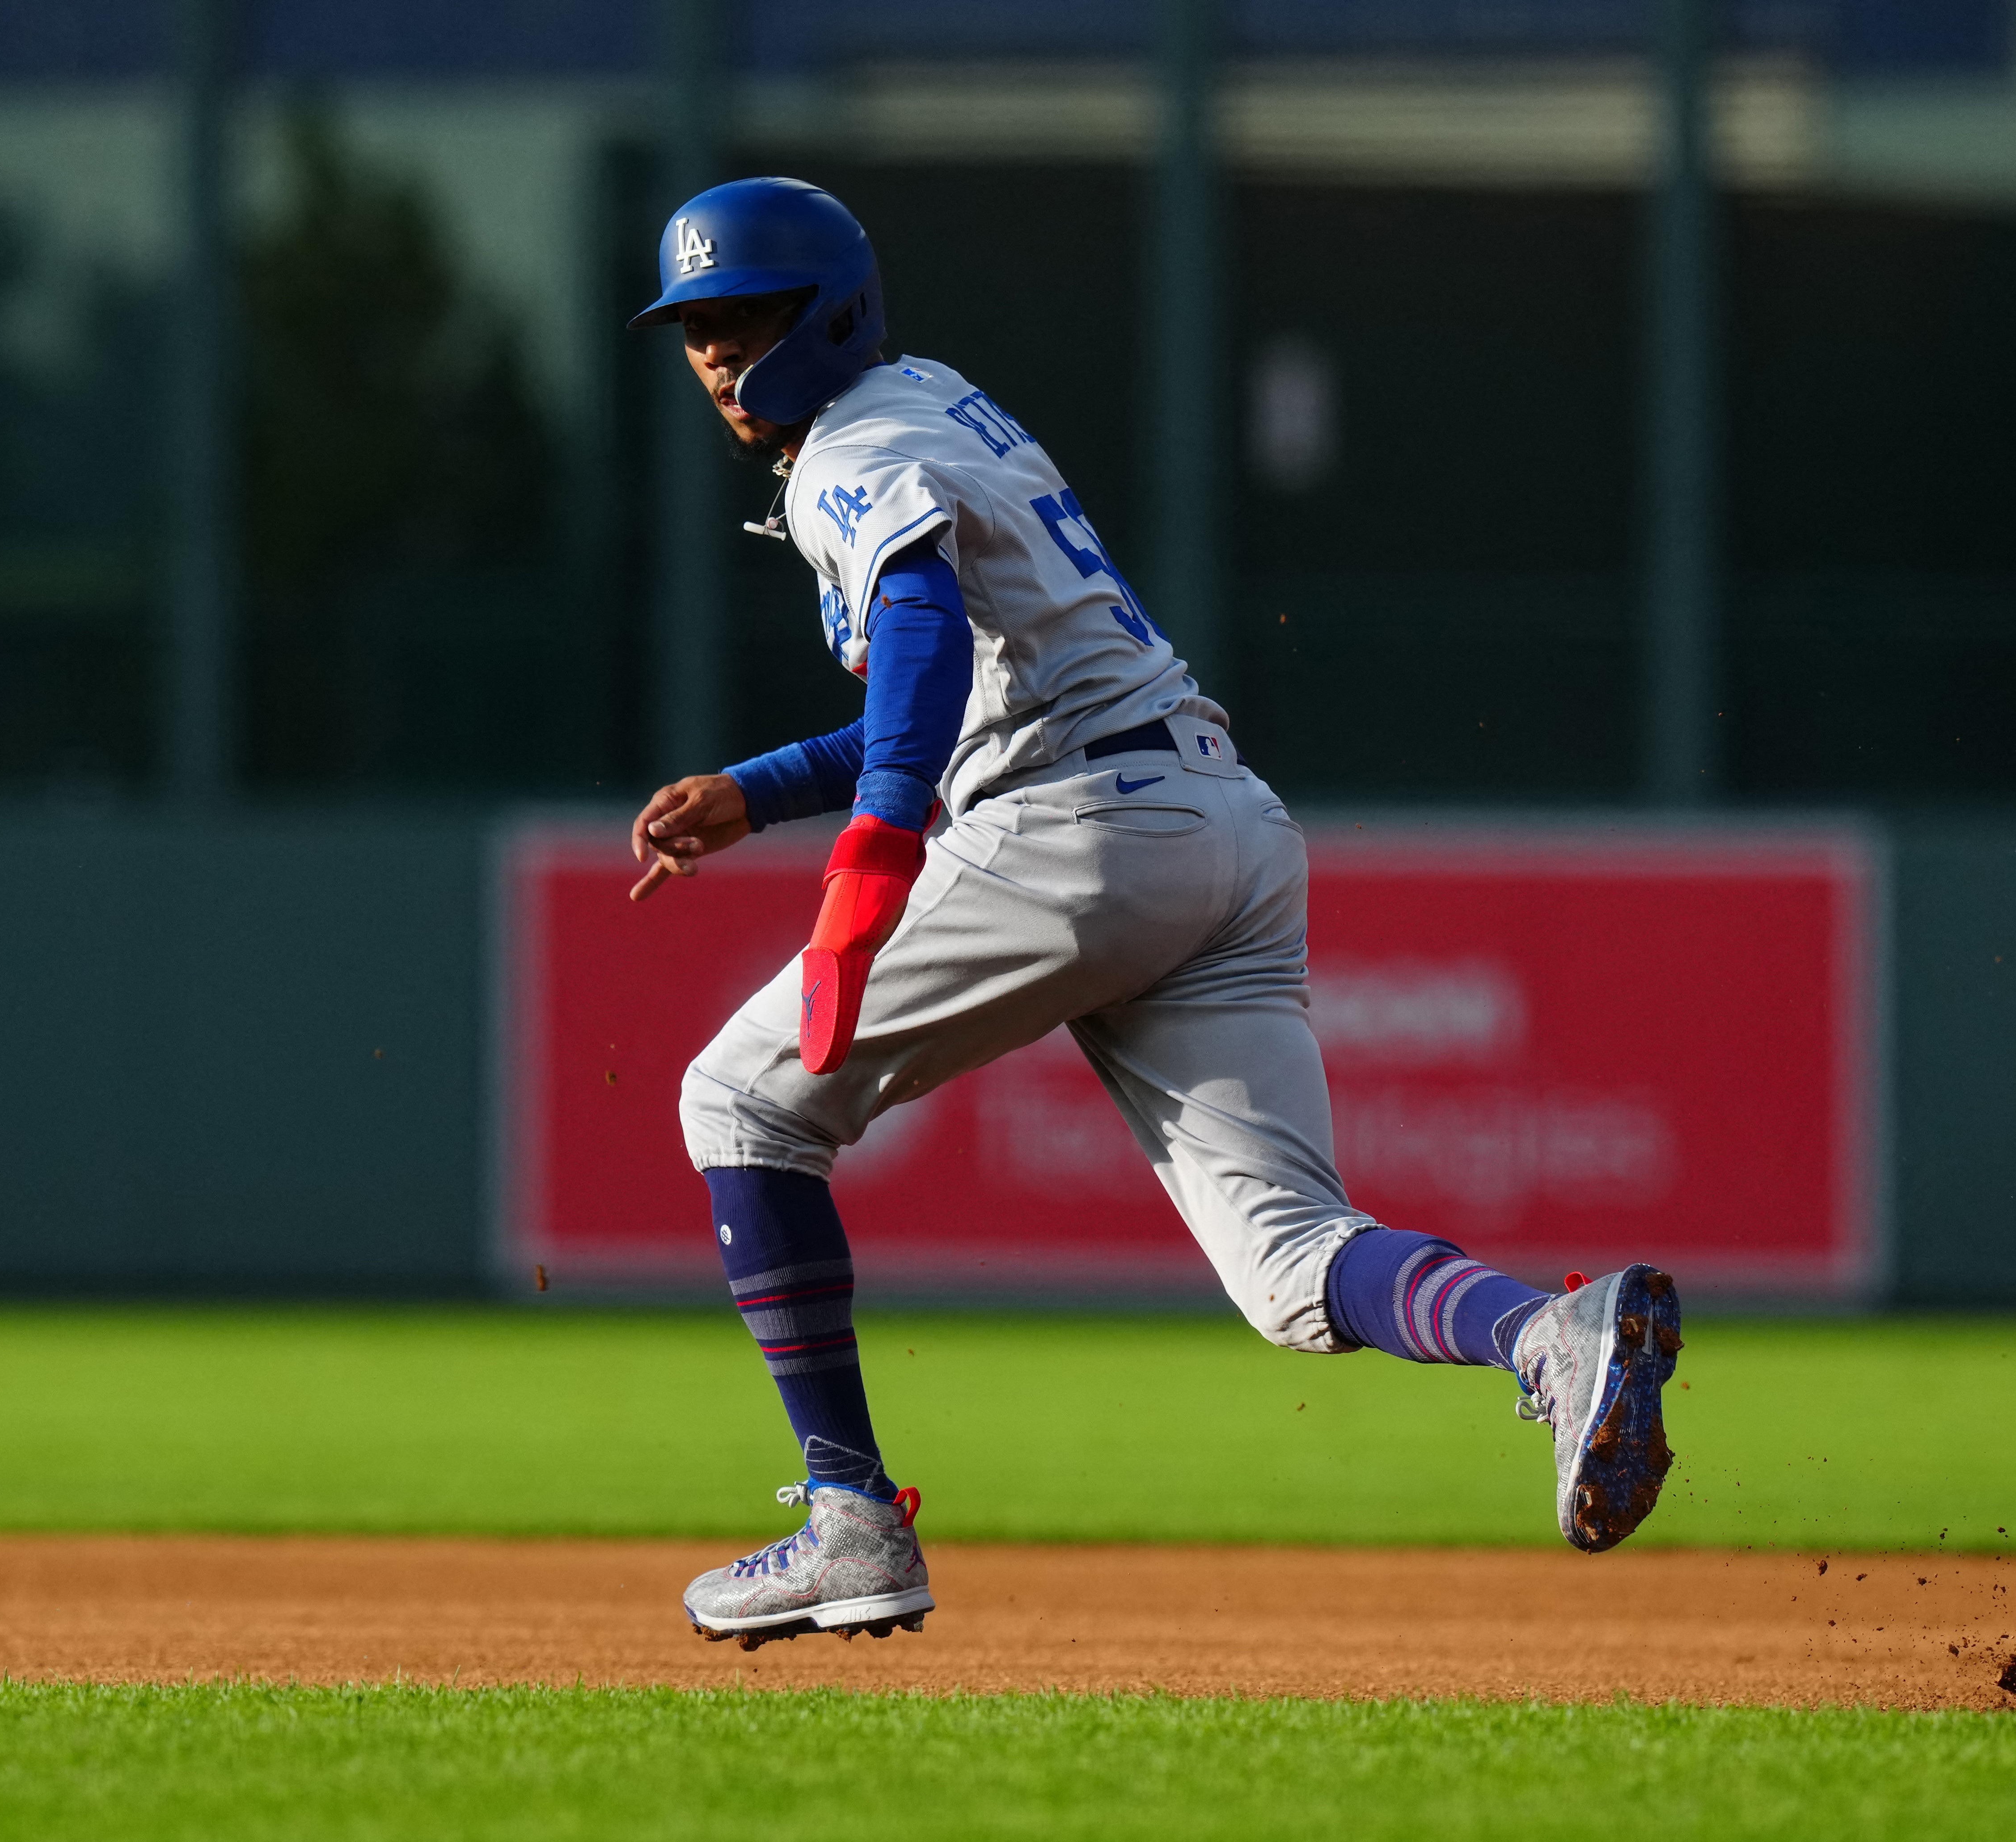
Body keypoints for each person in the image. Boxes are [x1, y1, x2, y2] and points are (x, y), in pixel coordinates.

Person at [624, 178, 1682, 1651]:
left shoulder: (850, 451)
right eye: (696, 333)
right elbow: (990, 676)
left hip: (1084, 835)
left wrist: (867, 852)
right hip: (1218, 823)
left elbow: (926, 647)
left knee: (740, 1101)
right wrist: (761, 789)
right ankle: (1546, 1338)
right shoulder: (932, 404)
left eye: (745, 321)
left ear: (832, 311)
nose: (722, 359)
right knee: (1293, 1263)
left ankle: (847, 1516)